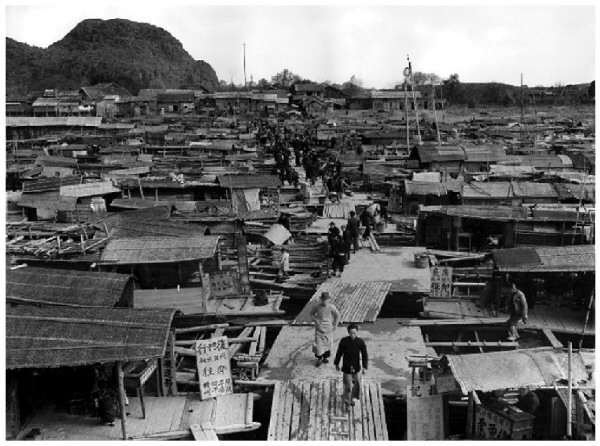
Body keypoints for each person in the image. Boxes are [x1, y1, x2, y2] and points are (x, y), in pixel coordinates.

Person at [334, 324, 368, 407]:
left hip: (356, 366)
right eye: (351, 333)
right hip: (346, 366)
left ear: (356, 332)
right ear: (348, 332)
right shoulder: (344, 341)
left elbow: (364, 354)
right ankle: (347, 401)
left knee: (357, 384)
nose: (353, 335)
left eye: (354, 333)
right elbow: (339, 353)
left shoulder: (360, 342)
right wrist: (337, 363)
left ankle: (353, 398)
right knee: (348, 386)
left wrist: (365, 367)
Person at [310, 292, 340, 367]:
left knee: (327, 344)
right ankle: (319, 358)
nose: (324, 301)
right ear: (321, 300)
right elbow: (311, 313)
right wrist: (315, 319)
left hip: (328, 329)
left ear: (328, 300)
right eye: (323, 300)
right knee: (318, 345)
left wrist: (335, 325)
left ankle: (325, 357)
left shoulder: (332, 307)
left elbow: (337, 315)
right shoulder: (317, 307)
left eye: (326, 300)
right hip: (319, 329)